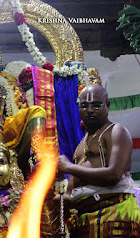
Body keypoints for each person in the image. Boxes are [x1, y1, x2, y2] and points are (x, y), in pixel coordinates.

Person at [57, 84, 140, 237]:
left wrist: (68, 167)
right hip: (84, 221)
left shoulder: (116, 131)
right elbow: (70, 193)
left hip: (115, 213)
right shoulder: (80, 146)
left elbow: (113, 175)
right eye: (84, 105)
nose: (89, 110)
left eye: (96, 105)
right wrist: (53, 197)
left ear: (107, 105)